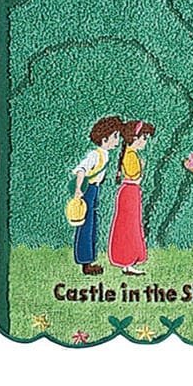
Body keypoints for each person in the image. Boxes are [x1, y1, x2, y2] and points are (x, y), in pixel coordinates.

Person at [71, 116, 122, 275]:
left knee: (92, 224)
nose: (117, 139)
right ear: (104, 138)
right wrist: (78, 189)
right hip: (87, 190)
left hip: (94, 190)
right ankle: (85, 261)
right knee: (86, 224)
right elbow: (81, 170)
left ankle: (89, 259)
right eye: (115, 136)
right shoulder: (95, 155)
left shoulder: (104, 154)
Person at [108, 119, 155, 275]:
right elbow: (135, 176)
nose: (145, 142)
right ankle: (126, 260)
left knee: (131, 224)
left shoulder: (130, 154)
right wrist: (142, 167)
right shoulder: (131, 156)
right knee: (128, 225)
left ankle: (128, 262)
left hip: (131, 192)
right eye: (144, 138)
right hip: (130, 191)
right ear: (134, 138)